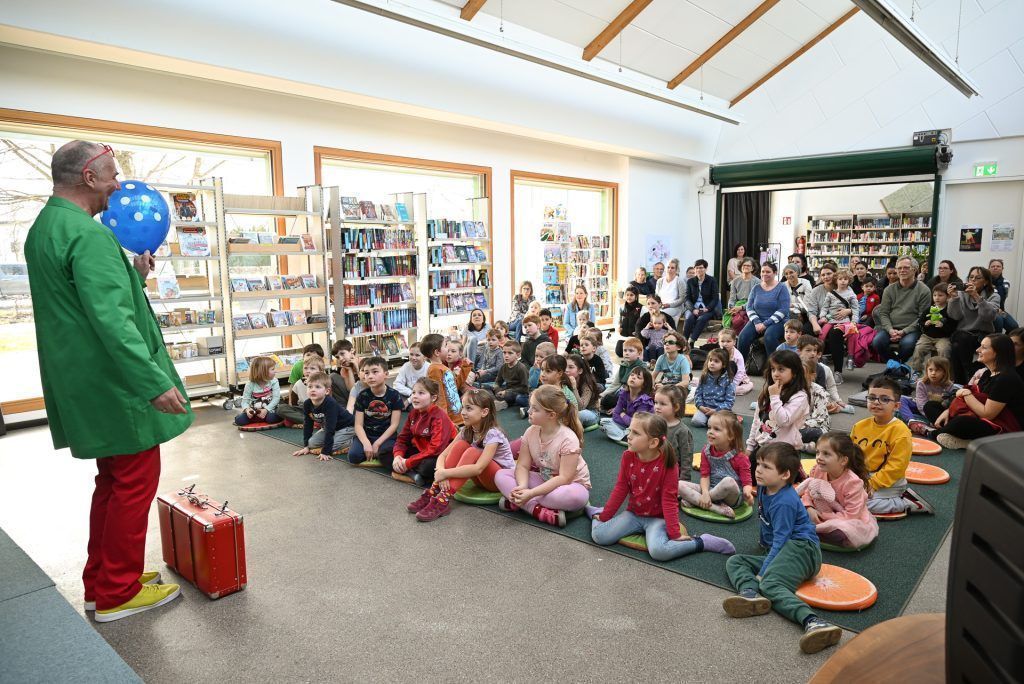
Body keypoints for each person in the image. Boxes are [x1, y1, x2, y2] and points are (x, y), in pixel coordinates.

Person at [25, 140, 190, 621]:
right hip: (116, 382)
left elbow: (88, 304)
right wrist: (152, 382)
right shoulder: (90, 235)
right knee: (135, 482)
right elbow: (113, 323)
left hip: (85, 377)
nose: (119, 185)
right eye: (113, 175)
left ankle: (104, 579)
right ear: (90, 178)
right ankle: (118, 592)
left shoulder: (48, 227)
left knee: (113, 481)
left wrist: (133, 275)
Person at [723, 443, 841, 655]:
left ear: (785, 474)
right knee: (735, 561)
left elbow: (781, 539)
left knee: (769, 583)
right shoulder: (764, 488)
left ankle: (813, 621)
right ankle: (750, 594)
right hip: (784, 549)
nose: (758, 469)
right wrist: (764, 548)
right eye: (758, 464)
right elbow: (766, 524)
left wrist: (762, 572)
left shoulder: (784, 501)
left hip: (802, 550)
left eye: (766, 467)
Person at [592, 412, 734, 560]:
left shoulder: (668, 464)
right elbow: (620, 489)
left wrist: (675, 534)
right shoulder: (628, 456)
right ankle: (595, 512)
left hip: (658, 519)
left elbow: (669, 499)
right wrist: (604, 516)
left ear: (652, 443)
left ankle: (702, 542)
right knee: (599, 536)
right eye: (629, 430)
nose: (629, 436)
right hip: (634, 514)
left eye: (635, 433)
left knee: (659, 552)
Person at [407, 388, 511, 522]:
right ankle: (433, 491)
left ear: (484, 412)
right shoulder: (467, 430)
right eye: (463, 407)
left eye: (469, 408)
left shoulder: (493, 434)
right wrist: (441, 472)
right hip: (480, 479)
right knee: (460, 445)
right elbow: (443, 455)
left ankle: (443, 500)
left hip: (498, 481)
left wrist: (447, 473)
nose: (463, 412)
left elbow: (478, 468)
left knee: (472, 451)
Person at [495, 385, 591, 527]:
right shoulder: (530, 432)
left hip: (571, 485)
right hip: (544, 480)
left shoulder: (568, 439)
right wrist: (522, 487)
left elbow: (564, 478)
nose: (529, 411)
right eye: (530, 407)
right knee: (501, 475)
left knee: (576, 498)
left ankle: (522, 502)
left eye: (535, 409)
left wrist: (531, 493)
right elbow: (522, 465)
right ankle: (535, 509)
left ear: (551, 415)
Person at [912, 334, 1024, 449]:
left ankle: (933, 433)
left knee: (962, 422)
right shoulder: (987, 373)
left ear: (998, 352)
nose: (978, 350)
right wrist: (948, 411)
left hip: (1001, 426)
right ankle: (957, 435)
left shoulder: (1006, 378)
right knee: (930, 406)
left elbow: (988, 414)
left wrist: (966, 393)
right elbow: (974, 403)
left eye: (984, 347)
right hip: (977, 415)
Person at [851, 377, 933, 514]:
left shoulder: (901, 432)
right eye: (872, 398)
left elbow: (896, 467)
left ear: (896, 406)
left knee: (861, 504)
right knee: (836, 496)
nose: (876, 402)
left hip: (889, 483)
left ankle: (906, 502)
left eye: (884, 399)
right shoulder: (859, 426)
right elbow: (849, 454)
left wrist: (871, 484)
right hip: (862, 477)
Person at [797, 432, 878, 550]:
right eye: (818, 452)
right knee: (790, 508)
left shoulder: (852, 483)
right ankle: (815, 529)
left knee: (843, 531)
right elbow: (809, 491)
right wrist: (809, 508)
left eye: (826, 454)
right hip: (817, 511)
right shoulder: (818, 470)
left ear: (843, 460)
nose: (819, 457)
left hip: (845, 519)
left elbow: (851, 515)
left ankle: (815, 530)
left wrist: (824, 517)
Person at [680, 410, 753, 518]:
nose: (710, 431)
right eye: (709, 428)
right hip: (711, 489)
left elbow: (747, 481)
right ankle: (716, 508)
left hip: (731, 496)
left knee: (728, 481)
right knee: (679, 484)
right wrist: (705, 493)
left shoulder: (740, 456)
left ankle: (697, 501)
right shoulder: (706, 451)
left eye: (716, 429)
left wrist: (748, 493)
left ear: (731, 435)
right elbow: (705, 475)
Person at [746, 351, 809, 471]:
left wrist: (774, 397)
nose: (775, 374)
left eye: (781, 369)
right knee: (746, 478)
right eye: (773, 369)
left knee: (774, 484)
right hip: (763, 447)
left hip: (784, 453)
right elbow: (757, 421)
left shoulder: (800, 397)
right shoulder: (768, 391)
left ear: (794, 372)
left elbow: (783, 421)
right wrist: (750, 446)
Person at [390, 377, 457, 489]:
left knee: (428, 467)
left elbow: (435, 449)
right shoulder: (413, 413)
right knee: (386, 451)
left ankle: (408, 471)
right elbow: (402, 438)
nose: (415, 396)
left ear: (433, 397)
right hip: (421, 451)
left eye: (421, 393)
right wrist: (398, 456)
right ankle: (414, 475)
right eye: (413, 392)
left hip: (440, 455)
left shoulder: (439, 417)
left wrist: (408, 462)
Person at [871, 256, 932, 363]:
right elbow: (883, 313)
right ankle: (898, 368)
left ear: (914, 269)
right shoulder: (889, 289)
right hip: (890, 328)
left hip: (911, 329)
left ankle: (894, 368)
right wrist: (890, 330)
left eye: (906, 267)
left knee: (907, 345)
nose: (902, 270)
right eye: (899, 268)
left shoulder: (924, 290)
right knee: (877, 342)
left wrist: (903, 332)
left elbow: (922, 317)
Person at [947, 266, 1002, 383]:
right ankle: (968, 373)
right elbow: (955, 316)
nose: (973, 280)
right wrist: (954, 298)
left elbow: (988, 317)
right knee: (960, 340)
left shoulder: (994, 296)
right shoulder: (961, 294)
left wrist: (977, 296)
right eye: (971, 277)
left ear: (986, 281)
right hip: (963, 335)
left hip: (982, 335)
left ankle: (960, 382)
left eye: (978, 278)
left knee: (957, 345)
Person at [349, 357, 404, 466]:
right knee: (353, 456)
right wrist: (366, 443)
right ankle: (369, 451)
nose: (370, 376)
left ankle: (376, 453)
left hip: (386, 436)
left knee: (388, 457)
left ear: (386, 374)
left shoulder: (394, 395)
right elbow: (358, 425)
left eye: (375, 372)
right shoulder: (362, 395)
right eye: (366, 373)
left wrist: (377, 444)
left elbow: (394, 425)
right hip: (367, 435)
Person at [805, 263, 851, 381]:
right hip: (821, 320)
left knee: (835, 334)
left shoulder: (844, 287)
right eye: (823, 275)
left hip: (840, 320)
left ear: (835, 273)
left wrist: (848, 310)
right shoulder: (816, 290)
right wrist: (815, 324)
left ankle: (838, 371)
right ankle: (808, 367)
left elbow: (855, 307)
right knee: (806, 331)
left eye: (829, 274)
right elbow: (811, 311)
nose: (826, 277)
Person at [293, 371, 354, 460]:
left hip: (347, 427)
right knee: (311, 444)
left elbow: (330, 428)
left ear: (327, 391)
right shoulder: (307, 404)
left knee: (331, 446)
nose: (312, 389)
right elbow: (307, 425)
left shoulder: (330, 403)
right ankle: (336, 439)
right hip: (330, 429)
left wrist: (325, 452)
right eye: (310, 387)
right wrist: (306, 446)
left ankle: (354, 441)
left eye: (317, 387)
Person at [737, 262, 791, 358]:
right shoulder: (756, 288)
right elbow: (749, 307)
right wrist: (757, 322)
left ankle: (775, 366)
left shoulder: (782, 288)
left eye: (768, 272)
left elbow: (783, 310)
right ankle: (740, 368)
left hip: (778, 321)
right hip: (757, 320)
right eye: (763, 271)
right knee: (743, 337)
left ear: (775, 273)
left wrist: (765, 324)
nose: (764, 274)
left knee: (769, 337)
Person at [907, 283, 954, 373]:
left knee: (944, 350)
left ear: (948, 297)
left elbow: (952, 326)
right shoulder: (929, 309)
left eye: (940, 295)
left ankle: (943, 371)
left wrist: (943, 325)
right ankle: (917, 371)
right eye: (935, 295)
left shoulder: (949, 310)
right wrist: (925, 323)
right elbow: (920, 322)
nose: (937, 298)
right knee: (918, 349)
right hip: (927, 336)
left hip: (943, 337)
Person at [600, 367, 655, 442]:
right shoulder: (624, 393)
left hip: (641, 428)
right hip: (626, 425)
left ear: (644, 385)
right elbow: (616, 414)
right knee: (603, 422)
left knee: (638, 432)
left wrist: (623, 415)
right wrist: (626, 421)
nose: (633, 377)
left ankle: (625, 435)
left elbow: (638, 423)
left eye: (638, 377)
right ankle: (624, 436)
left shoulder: (644, 400)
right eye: (632, 375)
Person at [421, 334, 464, 427]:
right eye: (445, 346)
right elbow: (439, 397)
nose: (448, 349)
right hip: (449, 420)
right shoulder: (434, 369)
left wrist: (463, 370)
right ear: (437, 352)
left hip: (457, 416)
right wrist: (445, 421)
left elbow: (452, 387)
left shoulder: (442, 367)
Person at [600, 337, 646, 411]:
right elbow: (615, 384)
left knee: (608, 401)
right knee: (605, 399)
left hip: (633, 395)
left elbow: (641, 390)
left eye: (631, 351)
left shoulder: (642, 367)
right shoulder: (623, 365)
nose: (627, 353)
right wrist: (601, 395)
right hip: (622, 392)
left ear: (639, 353)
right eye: (625, 350)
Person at [692, 349, 735, 428]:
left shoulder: (728, 381)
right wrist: (700, 406)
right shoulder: (704, 376)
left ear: (724, 365)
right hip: (704, 408)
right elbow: (698, 394)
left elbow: (730, 401)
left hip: (720, 410)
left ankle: (714, 421)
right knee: (696, 421)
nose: (712, 363)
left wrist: (716, 410)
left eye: (716, 361)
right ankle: (710, 421)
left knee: (716, 424)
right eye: (710, 360)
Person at [903, 356, 954, 422]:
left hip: (937, 412)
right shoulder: (921, 383)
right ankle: (911, 420)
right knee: (902, 399)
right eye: (930, 370)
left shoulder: (949, 385)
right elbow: (921, 405)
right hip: (922, 409)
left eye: (937, 370)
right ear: (926, 370)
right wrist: (928, 416)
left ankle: (923, 420)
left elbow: (948, 406)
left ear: (944, 372)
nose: (933, 373)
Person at [682, 259, 721, 346]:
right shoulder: (690, 281)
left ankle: (692, 341)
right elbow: (687, 299)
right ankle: (683, 342)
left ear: (706, 269)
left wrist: (707, 308)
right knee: (689, 318)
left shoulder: (712, 280)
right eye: (697, 268)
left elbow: (715, 298)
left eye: (701, 268)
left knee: (701, 319)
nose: (699, 270)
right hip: (693, 307)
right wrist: (693, 309)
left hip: (707, 307)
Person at [233, 356, 281, 426]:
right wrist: (247, 410)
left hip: (270, 409)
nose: (275, 371)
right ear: (263, 372)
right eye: (272, 369)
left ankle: (260, 418)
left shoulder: (274, 381)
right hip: (255, 411)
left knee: (271, 418)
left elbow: (276, 398)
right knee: (239, 420)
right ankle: (258, 418)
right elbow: (245, 402)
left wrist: (266, 410)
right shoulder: (250, 384)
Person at [654, 385, 693, 466]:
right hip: (655, 467)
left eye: (662, 404)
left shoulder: (682, 431)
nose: (657, 407)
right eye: (656, 402)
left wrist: (684, 478)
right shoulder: (654, 424)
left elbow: (686, 457)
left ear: (676, 407)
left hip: (672, 470)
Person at [800, 357, 831, 452]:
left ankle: (801, 446)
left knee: (821, 435)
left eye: (802, 376)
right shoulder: (791, 389)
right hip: (794, 426)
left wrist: (800, 425)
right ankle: (805, 446)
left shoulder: (819, 391)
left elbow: (820, 419)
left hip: (814, 426)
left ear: (812, 376)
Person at [725, 257, 759, 334]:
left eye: (748, 266)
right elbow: (732, 298)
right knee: (728, 318)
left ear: (752, 268)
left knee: (741, 320)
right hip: (737, 305)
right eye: (744, 265)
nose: (746, 267)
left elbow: (756, 300)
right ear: (740, 267)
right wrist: (731, 307)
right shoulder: (735, 281)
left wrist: (741, 307)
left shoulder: (758, 282)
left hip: (751, 306)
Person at [566, 354, 600, 428]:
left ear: (580, 371)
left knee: (579, 415)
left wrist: (574, 388)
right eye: (565, 366)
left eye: (571, 367)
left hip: (590, 412)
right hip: (571, 410)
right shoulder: (565, 380)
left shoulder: (588, 384)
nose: (566, 370)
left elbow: (581, 407)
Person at [492, 341, 530, 406]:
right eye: (504, 353)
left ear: (517, 355)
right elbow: (498, 381)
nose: (506, 355)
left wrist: (507, 392)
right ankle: (494, 401)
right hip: (506, 389)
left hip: (516, 392)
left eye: (510, 353)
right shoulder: (503, 366)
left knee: (518, 398)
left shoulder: (521, 368)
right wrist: (497, 389)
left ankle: (503, 403)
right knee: (486, 387)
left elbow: (525, 388)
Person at [394, 342, 429, 409]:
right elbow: (396, 384)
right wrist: (411, 393)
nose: (413, 358)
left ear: (424, 357)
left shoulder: (429, 368)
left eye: (417, 355)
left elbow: (427, 391)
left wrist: (409, 400)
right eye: (411, 354)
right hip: (408, 394)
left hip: (422, 397)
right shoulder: (406, 366)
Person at [719, 330, 753, 395]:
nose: (725, 344)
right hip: (720, 378)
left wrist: (733, 385)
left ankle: (725, 389)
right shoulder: (717, 353)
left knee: (742, 389)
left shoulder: (738, 356)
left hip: (735, 379)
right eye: (722, 341)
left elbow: (740, 372)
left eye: (728, 341)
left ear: (734, 342)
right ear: (719, 342)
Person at [989, 258, 1019, 333]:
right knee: (999, 322)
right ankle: (997, 342)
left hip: (1001, 310)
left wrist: (1000, 310)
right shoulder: (985, 281)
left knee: (1014, 326)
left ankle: (1006, 342)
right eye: (993, 266)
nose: (995, 268)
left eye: (998, 266)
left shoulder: (1006, 282)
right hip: (989, 310)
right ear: (989, 268)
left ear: (1002, 269)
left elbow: (1002, 298)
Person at [781, 264, 812, 331]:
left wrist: (793, 305)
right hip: (789, 313)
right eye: (786, 274)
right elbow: (782, 304)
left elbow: (807, 305)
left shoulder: (806, 283)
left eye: (791, 272)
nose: (789, 275)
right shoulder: (782, 286)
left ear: (797, 272)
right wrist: (796, 310)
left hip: (804, 314)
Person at [616, 286, 643, 357]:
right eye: (627, 295)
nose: (629, 297)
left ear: (636, 296)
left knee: (632, 353)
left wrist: (638, 332)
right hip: (624, 336)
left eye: (631, 295)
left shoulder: (642, 308)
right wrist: (618, 327)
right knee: (619, 352)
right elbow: (618, 320)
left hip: (635, 337)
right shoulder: (621, 307)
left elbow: (643, 324)